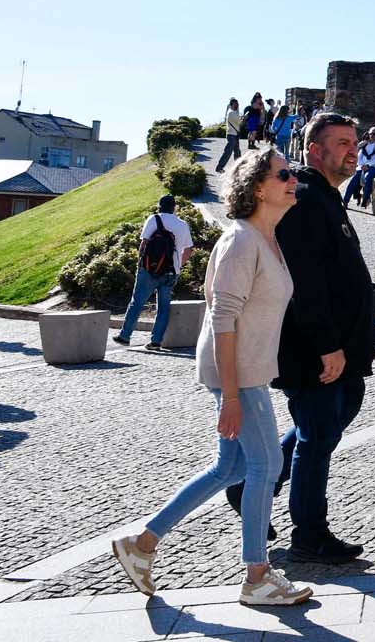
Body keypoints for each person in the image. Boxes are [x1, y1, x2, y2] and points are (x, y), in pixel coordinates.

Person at [112, 148, 314, 607]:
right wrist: (230, 395)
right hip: (236, 372)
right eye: (283, 174)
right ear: (258, 188)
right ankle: (257, 576)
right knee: (267, 466)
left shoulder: (266, 238)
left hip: (246, 370)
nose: (292, 180)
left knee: (231, 467)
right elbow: (222, 318)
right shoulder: (241, 240)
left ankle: (141, 544)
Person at [226, 111, 374, 565]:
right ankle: (310, 534)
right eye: (342, 143)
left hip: (343, 349)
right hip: (315, 348)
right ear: (314, 149)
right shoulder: (305, 198)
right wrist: (327, 344)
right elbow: (304, 281)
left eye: (355, 142)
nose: (353, 150)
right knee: (316, 434)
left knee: (330, 421)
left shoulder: (327, 197)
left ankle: (251, 485)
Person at [112, 195, 195, 349]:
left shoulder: (153, 219)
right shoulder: (182, 225)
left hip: (149, 269)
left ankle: (125, 336)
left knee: (136, 302)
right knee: (164, 307)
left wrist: (140, 264)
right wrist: (178, 265)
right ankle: (156, 341)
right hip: (171, 272)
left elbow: (143, 244)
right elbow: (189, 250)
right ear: (174, 207)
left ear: (159, 206)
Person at [343, 127, 375, 209]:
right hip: (362, 167)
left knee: (368, 177)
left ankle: (365, 199)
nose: (372, 135)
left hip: (374, 168)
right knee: (354, 180)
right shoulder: (365, 145)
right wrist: (362, 165)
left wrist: (368, 165)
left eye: (374, 134)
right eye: (370, 134)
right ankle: (345, 201)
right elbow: (359, 156)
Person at [216, 98, 244, 173]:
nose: (237, 105)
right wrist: (244, 118)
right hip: (232, 135)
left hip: (234, 134)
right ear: (231, 105)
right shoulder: (231, 113)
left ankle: (239, 168)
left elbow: (238, 118)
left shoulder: (234, 112)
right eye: (236, 104)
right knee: (228, 152)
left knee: (237, 152)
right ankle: (219, 167)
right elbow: (239, 122)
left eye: (237, 104)